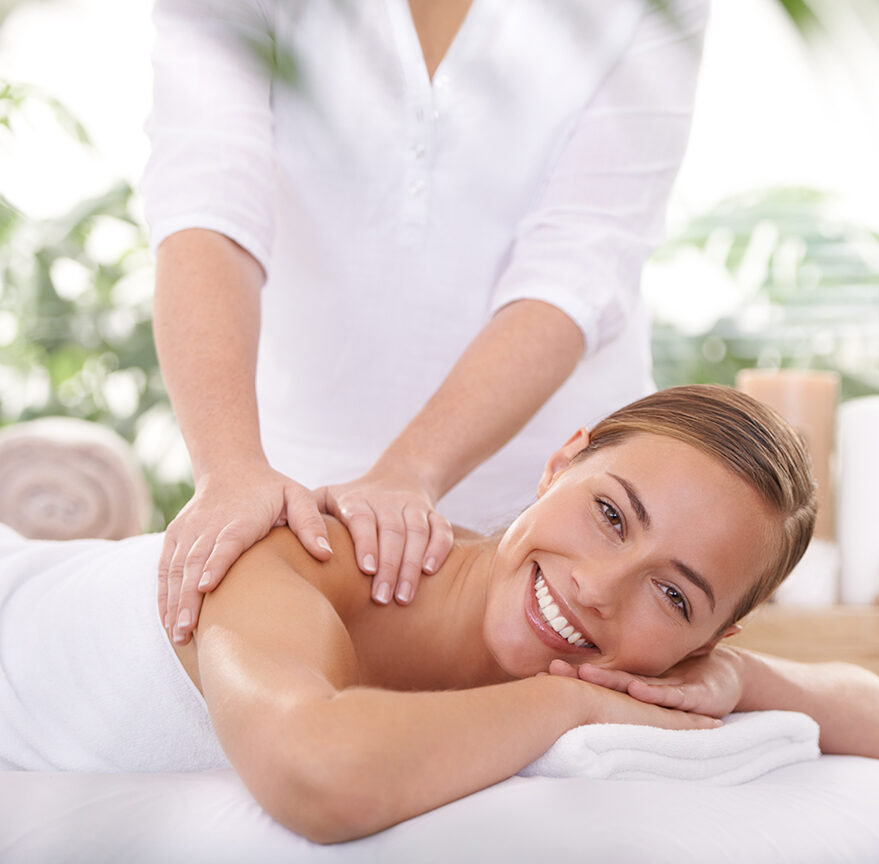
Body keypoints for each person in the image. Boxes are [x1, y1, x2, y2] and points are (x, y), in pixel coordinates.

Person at [4, 386, 879, 843]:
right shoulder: (304, 554)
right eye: (608, 512)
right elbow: (314, 775)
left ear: (708, 637)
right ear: (560, 461)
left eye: (674, 593)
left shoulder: (669, 655)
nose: (600, 586)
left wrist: (741, 678)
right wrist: (572, 704)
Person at [143, 0, 712, 644]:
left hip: (566, 521)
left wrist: (410, 472)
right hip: (292, 498)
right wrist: (230, 469)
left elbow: (580, 262)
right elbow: (207, 203)